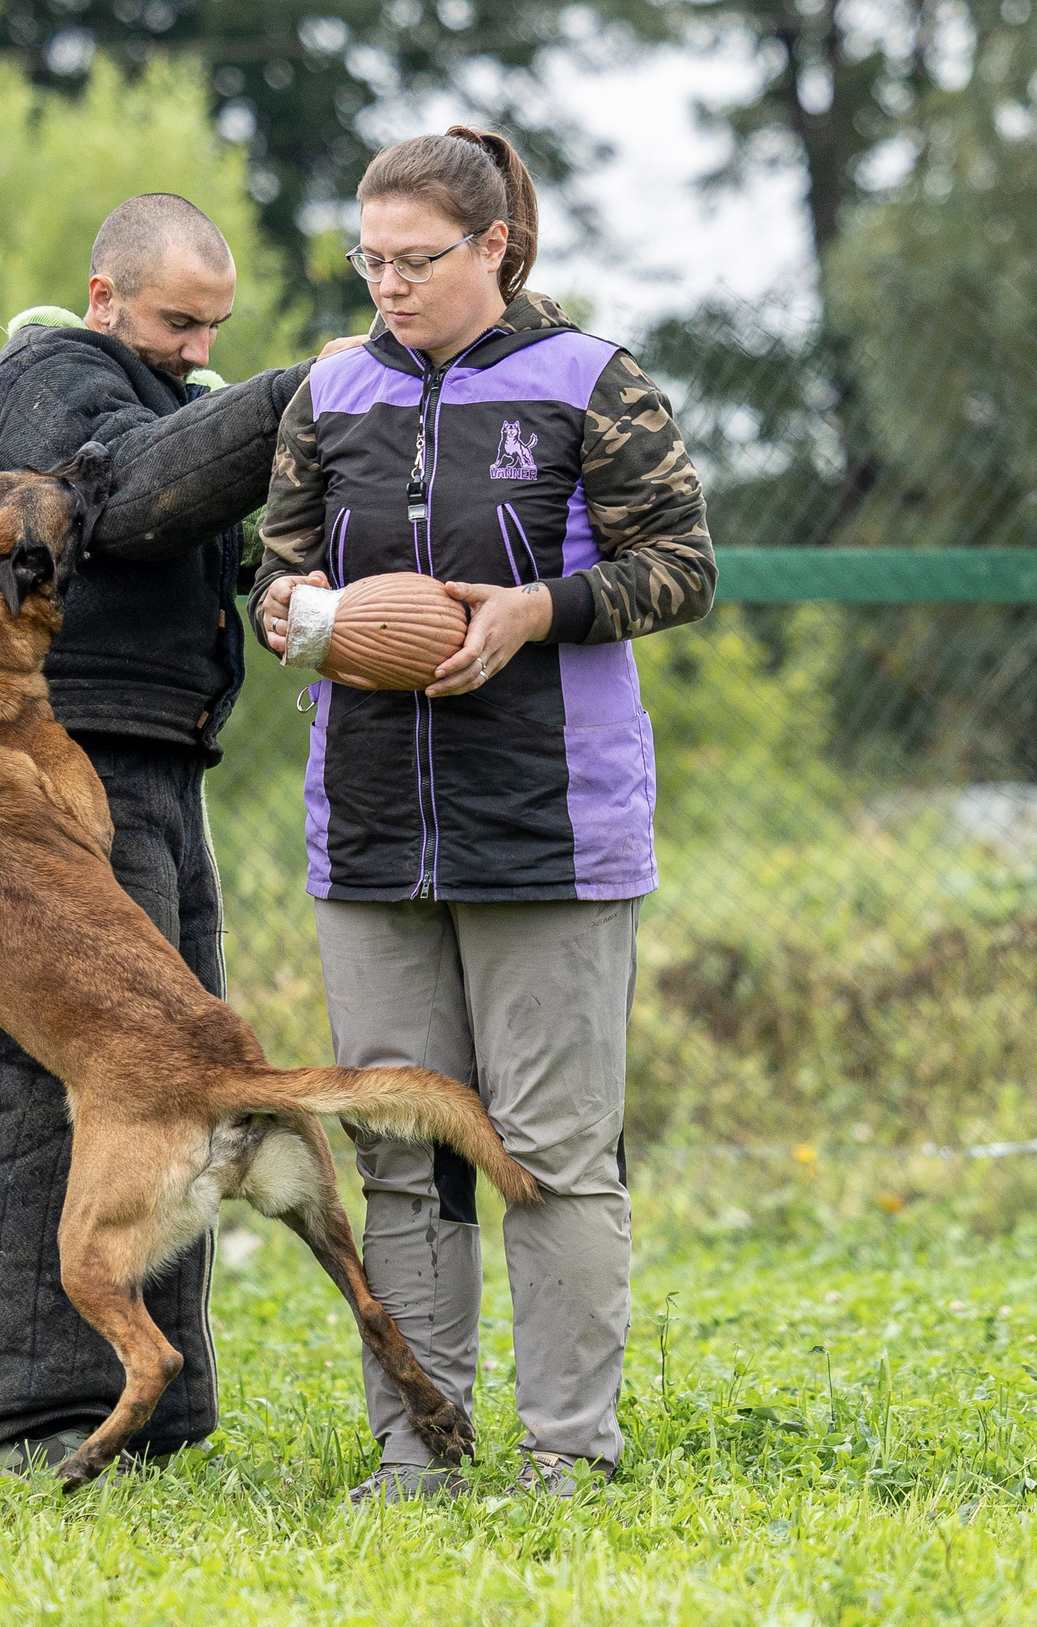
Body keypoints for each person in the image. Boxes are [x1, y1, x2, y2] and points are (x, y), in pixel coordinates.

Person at [252, 127, 716, 1503]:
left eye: (416, 259)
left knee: (554, 1154)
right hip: (372, 828)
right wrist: (290, 613)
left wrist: (534, 610)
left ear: (496, 248)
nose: (387, 284)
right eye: (368, 259)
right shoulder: (328, 392)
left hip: (553, 830)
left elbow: (681, 566)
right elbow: (278, 574)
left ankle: (570, 1451)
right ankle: (419, 1450)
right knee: (401, 1152)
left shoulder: (593, 382)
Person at [0, 193, 348, 1473]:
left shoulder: (164, 393)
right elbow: (118, 495)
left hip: (155, 771)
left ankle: (155, 1417)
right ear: (106, 297)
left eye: (215, 327)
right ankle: (39, 1416)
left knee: (174, 1086)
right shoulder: (46, 379)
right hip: (54, 774)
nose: (195, 346)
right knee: (65, 1092)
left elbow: (202, 523)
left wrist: (293, 585)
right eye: (178, 321)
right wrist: (291, 393)